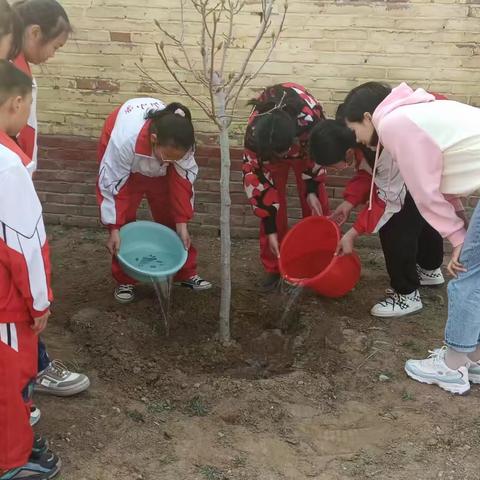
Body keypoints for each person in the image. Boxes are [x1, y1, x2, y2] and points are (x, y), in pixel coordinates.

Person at [342, 81, 480, 395]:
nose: (358, 140)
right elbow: (443, 185)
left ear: (367, 117)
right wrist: (461, 228)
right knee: (474, 272)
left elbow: (425, 194)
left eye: (355, 130)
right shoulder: (415, 112)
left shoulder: (392, 124)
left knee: (467, 276)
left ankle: (452, 365)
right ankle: (472, 359)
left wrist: (459, 239)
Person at [12, 0, 90, 405]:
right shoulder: (11, 74)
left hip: (16, 184)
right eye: (55, 46)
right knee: (21, 283)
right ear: (34, 34)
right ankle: (30, 377)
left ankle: (25, 377)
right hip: (10, 190)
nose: (53, 56)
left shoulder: (19, 67)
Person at [310, 110, 445, 318]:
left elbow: (384, 201)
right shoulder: (356, 137)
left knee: (394, 229)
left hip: (405, 182)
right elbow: (367, 174)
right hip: (419, 177)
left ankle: (406, 295)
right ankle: (429, 269)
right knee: (421, 218)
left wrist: (352, 233)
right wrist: (349, 202)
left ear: (346, 153)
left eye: (331, 166)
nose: (333, 171)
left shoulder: (382, 150)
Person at [0, 59, 61, 480]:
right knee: (11, 381)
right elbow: (25, 245)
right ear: (16, 102)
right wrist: (40, 303)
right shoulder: (8, 166)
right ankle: (11, 461)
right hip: (6, 304)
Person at [97, 98, 212, 303]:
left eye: (175, 159)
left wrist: (182, 223)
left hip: (155, 151)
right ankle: (126, 278)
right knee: (125, 220)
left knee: (169, 214)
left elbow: (182, 184)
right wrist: (114, 227)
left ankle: (184, 273)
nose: (169, 163)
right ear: (153, 138)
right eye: (167, 157)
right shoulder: (125, 140)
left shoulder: (182, 145)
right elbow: (112, 185)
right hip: (125, 164)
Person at [242, 82, 329, 291]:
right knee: (273, 202)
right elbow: (259, 186)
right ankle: (274, 266)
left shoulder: (309, 119)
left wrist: (311, 189)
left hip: (304, 146)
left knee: (317, 206)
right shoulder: (255, 135)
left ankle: (320, 262)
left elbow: (318, 153)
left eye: (283, 153)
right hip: (271, 148)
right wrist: (270, 228)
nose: (283, 159)